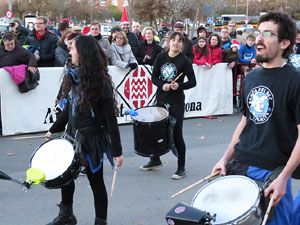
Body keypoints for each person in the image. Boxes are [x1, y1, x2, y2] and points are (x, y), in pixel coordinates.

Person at [212, 12, 299, 225]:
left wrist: (284, 177)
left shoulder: (295, 81)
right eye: (258, 33)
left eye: (267, 34)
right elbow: (244, 123)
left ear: (284, 43)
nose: (259, 38)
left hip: (272, 172)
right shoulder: (251, 78)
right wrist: (226, 158)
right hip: (240, 166)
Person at [45, 35, 123, 225]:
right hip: (71, 136)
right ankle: (67, 215)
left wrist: (117, 152)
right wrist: (53, 129)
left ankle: (100, 221)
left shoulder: (100, 83)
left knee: (96, 183)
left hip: (92, 139)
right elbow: (68, 109)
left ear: (83, 53)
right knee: (66, 177)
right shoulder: (73, 76)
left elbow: (110, 119)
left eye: (73, 48)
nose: (70, 51)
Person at [139, 32, 196, 179]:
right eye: (173, 40)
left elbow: (192, 82)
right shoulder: (161, 57)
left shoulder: (184, 61)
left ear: (182, 45)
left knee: (176, 133)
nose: (176, 43)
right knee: (157, 131)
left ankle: (181, 167)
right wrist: (162, 85)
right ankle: (155, 159)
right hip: (161, 99)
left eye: (179, 41)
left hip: (176, 101)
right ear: (168, 41)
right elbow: (154, 77)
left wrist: (179, 85)